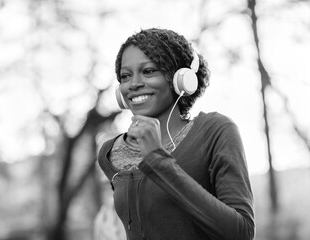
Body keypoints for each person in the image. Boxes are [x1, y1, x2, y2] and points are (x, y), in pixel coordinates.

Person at [97, 28, 255, 240]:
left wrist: (157, 160)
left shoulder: (215, 131)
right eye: (126, 76)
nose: (133, 84)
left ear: (180, 78)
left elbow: (241, 233)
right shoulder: (110, 152)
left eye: (149, 71)